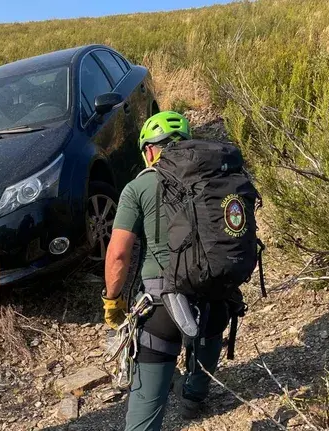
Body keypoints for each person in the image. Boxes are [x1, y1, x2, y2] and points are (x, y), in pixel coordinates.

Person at [103, 111, 252, 431]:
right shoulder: (214, 177)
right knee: (208, 331)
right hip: (215, 288)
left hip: (162, 304)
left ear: (149, 150)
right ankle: (194, 397)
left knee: (146, 403)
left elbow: (117, 255)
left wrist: (113, 301)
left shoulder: (138, 187)